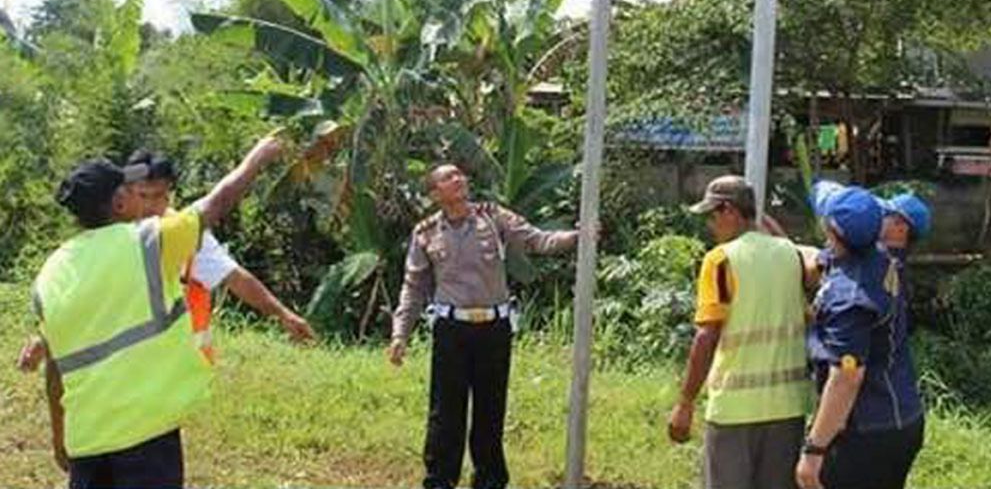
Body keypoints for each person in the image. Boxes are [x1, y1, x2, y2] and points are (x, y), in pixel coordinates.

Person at [32, 134, 285, 489]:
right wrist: (258, 158)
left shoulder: (51, 272)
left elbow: (54, 371)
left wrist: (61, 439)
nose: (142, 196)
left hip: (86, 441)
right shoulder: (150, 242)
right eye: (133, 190)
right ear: (120, 202)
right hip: (145, 436)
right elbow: (218, 203)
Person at [17, 149, 314, 373]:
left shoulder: (176, 232)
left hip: (165, 366)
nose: (150, 206)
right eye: (142, 195)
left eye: (159, 196)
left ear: (170, 195)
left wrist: (282, 314)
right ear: (123, 198)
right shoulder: (109, 244)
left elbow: (234, 277)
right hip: (124, 370)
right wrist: (46, 339)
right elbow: (85, 299)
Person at [388, 163, 589, 489]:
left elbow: (538, 240)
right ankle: (440, 480)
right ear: (435, 193)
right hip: (451, 330)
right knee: (446, 411)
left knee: (490, 410)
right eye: (448, 178)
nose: (459, 180)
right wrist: (400, 334)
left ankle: (490, 480)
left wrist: (578, 237)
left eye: (460, 175)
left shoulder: (493, 217)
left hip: (493, 329)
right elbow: (413, 287)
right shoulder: (425, 233)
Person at [667, 175, 815, 489]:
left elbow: (707, 335)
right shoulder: (790, 254)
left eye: (712, 215)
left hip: (734, 411)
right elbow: (807, 315)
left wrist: (685, 403)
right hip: (787, 408)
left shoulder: (721, 261)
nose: (711, 225)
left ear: (730, 211)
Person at [796, 184, 925, 489]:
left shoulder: (850, 298)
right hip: (901, 419)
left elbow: (847, 377)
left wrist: (813, 450)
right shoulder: (880, 258)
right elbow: (820, 259)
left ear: (831, 229)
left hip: (867, 430)